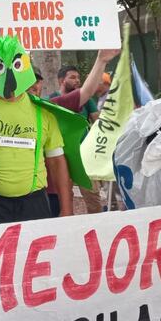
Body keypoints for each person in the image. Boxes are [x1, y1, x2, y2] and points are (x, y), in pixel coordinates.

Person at [0, 39, 119, 216]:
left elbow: (85, 93)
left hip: (41, 196)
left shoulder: (47, 107)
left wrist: (102, 59)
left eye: (37, 80)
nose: (34, 84)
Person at [50, 65, 102, 214]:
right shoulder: (52, 100)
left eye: (78, 77)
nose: (77, 80)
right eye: (72, 77)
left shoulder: (86, 99)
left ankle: (97, 225)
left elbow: (97, 122)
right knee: (64, 196)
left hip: (84, 155)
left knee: (92, 195)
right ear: (61, 80)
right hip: (61, 156)